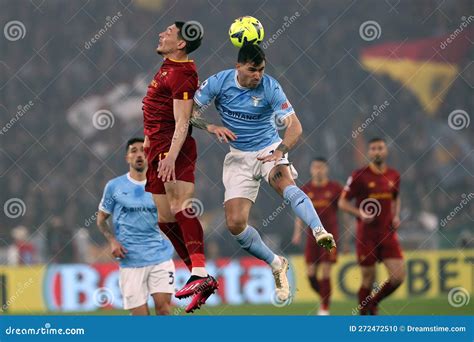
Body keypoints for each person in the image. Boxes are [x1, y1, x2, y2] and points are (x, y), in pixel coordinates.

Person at [191, 44, 336, 303]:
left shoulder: (270, 86)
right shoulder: (218, 82)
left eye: (261, 69)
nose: (258, 75)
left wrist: (280, 151)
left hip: (269, 149)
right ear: (238, 66)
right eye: (252, 69)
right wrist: (211, 126)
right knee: (235, 224)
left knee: (285, 183)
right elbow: (188, 113)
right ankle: (276, 262)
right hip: (238, 157)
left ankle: (318, 230)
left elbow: (295, 126)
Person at [142, 21, 218, 313]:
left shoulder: (183, 73)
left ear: (182, 43)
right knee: (164, 218)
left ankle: (199, 271)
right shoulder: (167, 66)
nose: (161, 34)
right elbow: (156, 108)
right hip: (157, 148)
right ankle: (200, 276)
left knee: (180, 206)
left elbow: (183, 120)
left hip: (172, 149)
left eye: (169, 33)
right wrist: (149, 139)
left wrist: (172, 155)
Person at [97, 138, 175, 315]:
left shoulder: (162, 184)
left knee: (164, 310)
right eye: (134, 151)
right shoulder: (114, 186)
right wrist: (112, 241)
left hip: (160, 256)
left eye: (143, 150)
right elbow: (101, 220)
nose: (139, 154)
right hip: (130, 260)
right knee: (140, 317)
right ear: (127, 158)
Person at [338, 137, 405, 315]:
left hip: (388, 234)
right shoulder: (359, 175)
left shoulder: (394, 175)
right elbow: (342, 203)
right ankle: (364, 319)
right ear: (368, 152)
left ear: (386, 151)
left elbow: (396, 198)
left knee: (398, 277)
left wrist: (396, 215)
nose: (377, 151)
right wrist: (360, 213)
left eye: (380, 148)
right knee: (368, 279)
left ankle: (372, 303)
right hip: (366, 235)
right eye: (373, 148)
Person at [292, 157, 343, 315]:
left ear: (326, 169)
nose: (318, 170)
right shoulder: (306, 190)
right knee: (311, 274)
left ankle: (324, 309)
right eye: (315, 167)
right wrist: (297, 233)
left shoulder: (335, 188)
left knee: (326, 272)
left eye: (321, 167)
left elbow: (343, 212)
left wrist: (347, 236)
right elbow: (300, 214)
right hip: (311, 237)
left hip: (330, 236)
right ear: (310, 169)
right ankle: (325, 297)